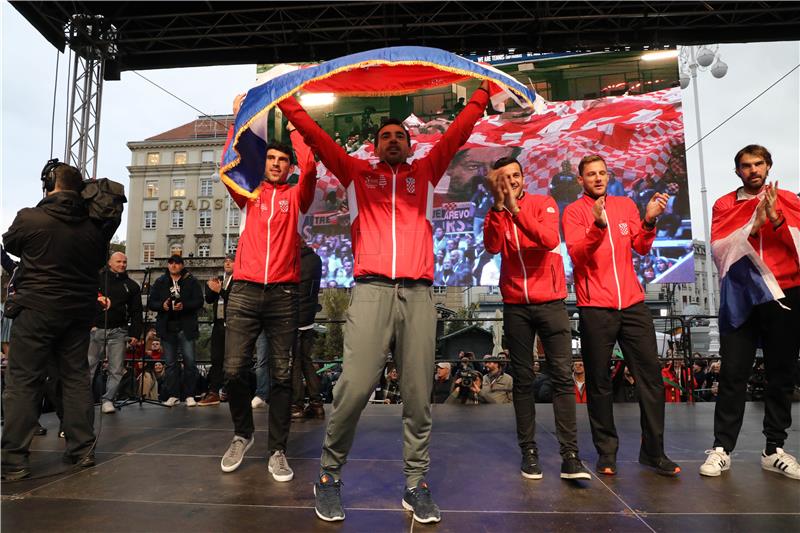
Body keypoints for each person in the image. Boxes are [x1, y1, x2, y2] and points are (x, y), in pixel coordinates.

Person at [279, 80, 492, 524]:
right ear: (376, 147)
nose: (392, 140)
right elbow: (318, 138)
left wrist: (481, 96)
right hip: (372, 291)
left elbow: (456, 135)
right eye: (385, 137)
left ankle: (416, 485)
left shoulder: (425, 172)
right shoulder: (358, 173)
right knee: (353, 388)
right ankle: (329, 478)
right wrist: (289, 104)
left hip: (418, 294)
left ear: (410, 146)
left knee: (419, 396)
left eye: (399, 136)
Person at [217, 94, 317, 482]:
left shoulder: (297, 196)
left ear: (288, 165)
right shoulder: (249, 193)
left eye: (282, 161)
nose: (276, 165)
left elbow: (310, 166)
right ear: (264, 165)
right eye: (271, 160)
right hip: (243, 291)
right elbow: (231, 162)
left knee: (280, 376)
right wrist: (238, 118)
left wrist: (294, 123)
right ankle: (243, 434)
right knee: (232, 371)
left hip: (283, 295)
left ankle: (277, 450)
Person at [563, 154, 680, 477]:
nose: (598, 178)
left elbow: (641, 247)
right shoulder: (573, 212)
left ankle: (654, 453)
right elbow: (578, 255)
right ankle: (606, 453)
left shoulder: (626, 205)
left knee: (652, 381)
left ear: (608, 175)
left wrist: (650, 221)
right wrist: (598, 227)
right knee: (599, 383)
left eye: (602, 173)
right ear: (581, 180)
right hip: (595, 308)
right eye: (591, 174)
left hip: (632, 305)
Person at [1, 162, 113, 480]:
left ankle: (14, 461)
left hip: (36, 309)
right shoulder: (94, 229)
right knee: (76, 379)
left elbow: (10, 243)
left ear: (49, 183)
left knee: (23, 381)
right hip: (77, 314)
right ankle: (82, 451)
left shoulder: (31, 218)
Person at [483, 156, 590, 481]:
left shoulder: (544, 203)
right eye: (505, 177)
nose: (512, 181)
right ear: (499, 182)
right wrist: (498, 210)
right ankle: (528, 452)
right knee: (524, 382)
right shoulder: (497, 212)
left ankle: (570, 456)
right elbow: (491, 246)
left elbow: (547, 240)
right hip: (516, 305)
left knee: (561, 377)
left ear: (523, 178)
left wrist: (515, 210)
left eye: (515, 175)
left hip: (551, 303)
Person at [700, 145, 800, 480]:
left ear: (769, 166)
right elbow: (719, 250)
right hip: (741, 295)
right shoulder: (724, 205)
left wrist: (777, 219)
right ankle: (722, 449)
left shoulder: (789, 200)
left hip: (783, 293)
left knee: (781, 372)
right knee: (733, 373)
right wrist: (754, 225)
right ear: (737, 171)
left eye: (759, 164)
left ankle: (774, 449)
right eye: (746, 165)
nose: (753, 170)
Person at [87, 252, 143, 414]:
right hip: (96, 330)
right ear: (110, 263)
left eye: (124, 262)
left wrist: (135, 334)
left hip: (118, 331)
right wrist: (89, 323)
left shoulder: (131, 285)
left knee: (116, 368)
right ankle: (82, 400)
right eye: (118, 261)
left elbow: (136, 311)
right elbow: (86, 299)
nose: (122, 264)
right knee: (88, 367)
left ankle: (108, 399)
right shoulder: (97, 280)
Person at [147, 255, 204, 407]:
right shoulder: (160, 281)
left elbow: (199, 301)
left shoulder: (191, 280)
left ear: (182, 265)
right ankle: (173, 395)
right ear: (167, 265)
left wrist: (184, 305)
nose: (173, 266)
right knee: (170, 364)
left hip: (186, 327)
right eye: (171, 263)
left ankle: (190, 395)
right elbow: (151, 303)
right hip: (167, 327)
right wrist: (162, 306)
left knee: (190, 363)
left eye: (177, 263)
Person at [291, 242, 324, 420]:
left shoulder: (294, 261)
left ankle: (296, 406)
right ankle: (316, 404)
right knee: (306, 361)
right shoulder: (316, 260)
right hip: (309, 317)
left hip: (295, 317)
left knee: (295, 363)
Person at [199, 254, 235, 406]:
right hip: (218, 324)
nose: (227, 264)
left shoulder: (239, 280)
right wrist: (211, 288)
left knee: (233, 360)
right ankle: (214, 391)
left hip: (233, 324)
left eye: (230, 261)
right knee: (216, 359)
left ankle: (231, 391)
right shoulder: (220, 279)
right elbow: (209, 300)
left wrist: (220, 290)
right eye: (225, 262)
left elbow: (233, 298)